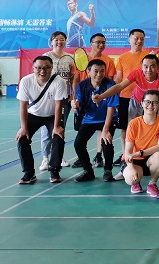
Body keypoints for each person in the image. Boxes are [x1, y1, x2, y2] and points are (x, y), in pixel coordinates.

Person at [16, 56, 69, 184]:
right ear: (33, 68)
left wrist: (57, 126)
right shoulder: (26, 81)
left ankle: (54, 171)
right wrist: (23, 128)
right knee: (22, 139)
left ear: (52, 68)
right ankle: (29, 173)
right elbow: (23, 106)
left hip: (52, 115)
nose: (42, 71)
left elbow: (58, 105)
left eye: (46, 68)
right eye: (38, 68)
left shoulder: (59, 82)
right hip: (33, 115)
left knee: (58, 137)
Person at [71, 32, 117, 169]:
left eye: (102, 71)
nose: (99, 74)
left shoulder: (109, 81)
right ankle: (87, 170)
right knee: (79, 143)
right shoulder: (82, 85)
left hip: (106, 116)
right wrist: (75, 104)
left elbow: (111, 107)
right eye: (95, 71)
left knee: (106, 140)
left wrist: (106, 129)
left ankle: (106, 169)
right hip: (89, 115)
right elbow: (76, 80)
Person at [40, 31, 78, 170]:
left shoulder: (70, 58)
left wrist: (73, 95)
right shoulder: (46, 57)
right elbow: (40, 76)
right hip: (48, 98)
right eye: (56, 39)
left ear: (65, 41)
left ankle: (57, 156)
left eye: (62, 39)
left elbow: (73, 77)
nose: (59, 42)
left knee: (60, 128)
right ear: (51, 42)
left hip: (64, 99)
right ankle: (45, 158)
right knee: (46, 130)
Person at [122, 90, 159, 196]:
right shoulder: (133, 123)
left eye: (155, 102)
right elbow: (128, 152)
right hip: (133, 160)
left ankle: (152, 184)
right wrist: (131, 167)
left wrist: (140, 153)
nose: (150, 105)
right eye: (147, 102)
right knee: (131, 179)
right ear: (142, 103)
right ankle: (136, 182)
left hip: (150, 159)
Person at [112, 28, 147, 165]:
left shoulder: (148, 57)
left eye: (142, 38)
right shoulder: (122, 57)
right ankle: (125, 155)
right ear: (130, 39)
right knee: (125, 128)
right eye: (136, 38)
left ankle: (142, 155)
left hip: (144, 99)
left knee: (144, 128)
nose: (139, 41)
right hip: (125, 97)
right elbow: (119, 79)